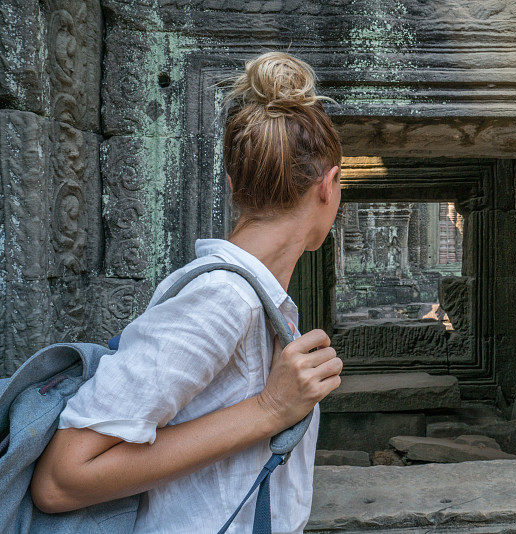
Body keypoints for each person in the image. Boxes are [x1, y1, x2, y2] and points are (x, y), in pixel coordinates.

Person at [30, 51, 344, 533]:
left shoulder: (260, 303)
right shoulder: (223, 299)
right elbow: (61, 478)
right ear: (329, 186)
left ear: (233, 182)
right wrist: (268, 410)